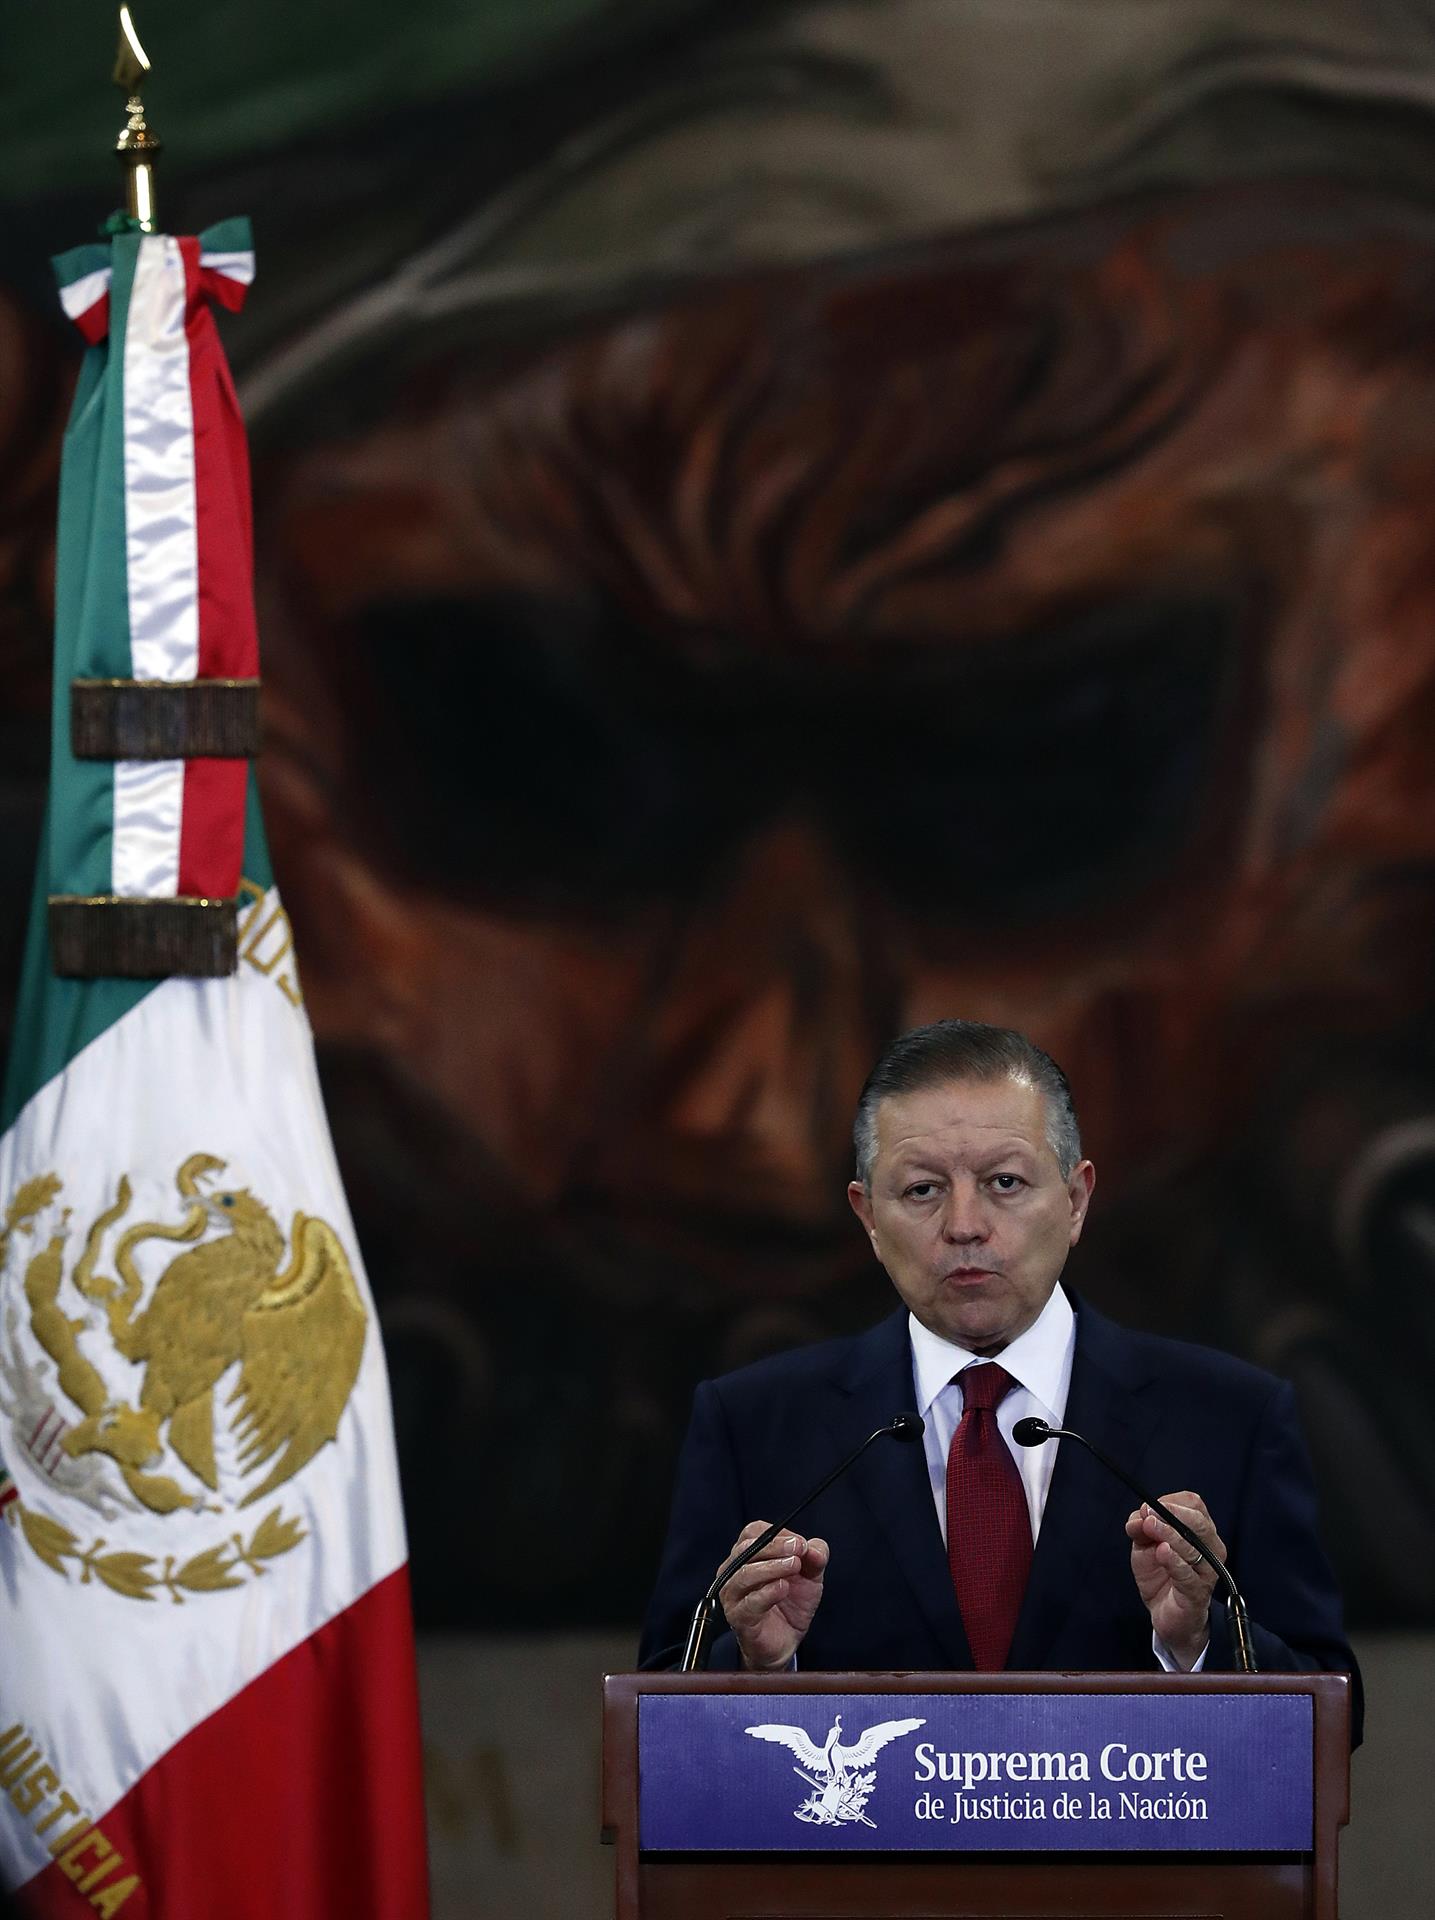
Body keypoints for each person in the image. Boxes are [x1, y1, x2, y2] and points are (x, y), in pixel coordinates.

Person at [640, 1020, 1360, 1738]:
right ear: (866, 1217)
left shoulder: (1229, 1417)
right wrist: (762, 1669)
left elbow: (1333, 1714)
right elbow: (655, 1729)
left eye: (1004, 1182)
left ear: (1075, 1201)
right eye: (921, 1190)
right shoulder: (753, 1424)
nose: (963, 1224)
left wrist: (1195, 1644)